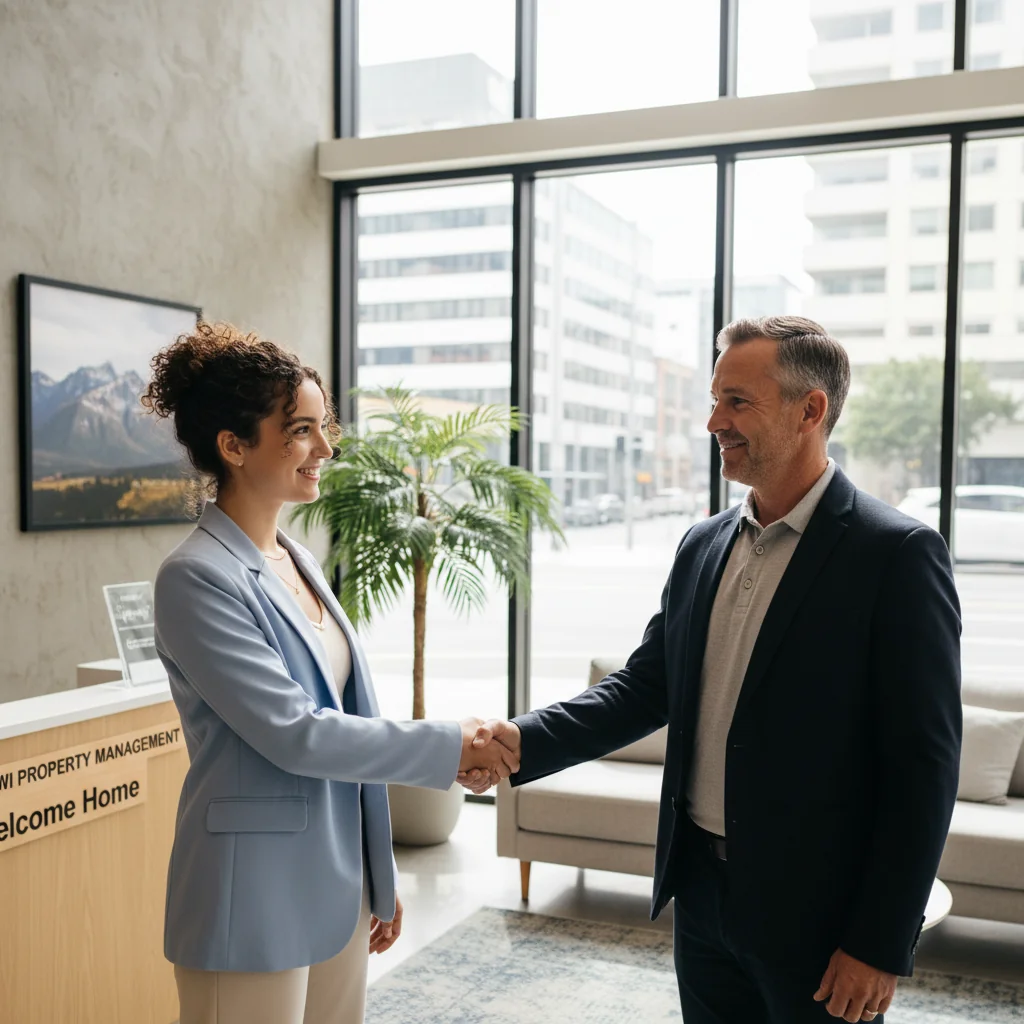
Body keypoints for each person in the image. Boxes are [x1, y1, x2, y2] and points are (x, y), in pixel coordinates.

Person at [461, 316, 962, 1024]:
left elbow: (924, 766)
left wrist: (879, 941)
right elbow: (646, 686)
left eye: (737, 401)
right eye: (714, 399)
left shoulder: (897, 554)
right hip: (700, 896)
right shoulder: (702, 544)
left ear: (810, 410)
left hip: (822, 919)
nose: (712, 422)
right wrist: (521, 740)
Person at [142, 321, 517, 1024]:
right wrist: (449, 744)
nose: (326, 447)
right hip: (251, 895)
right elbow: (297, 733)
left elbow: (349, 714)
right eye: (302, 430)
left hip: (338, 885)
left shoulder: (298, 560)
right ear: (233, 446)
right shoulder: (194, 578)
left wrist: (377, 872)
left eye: (324, 427)